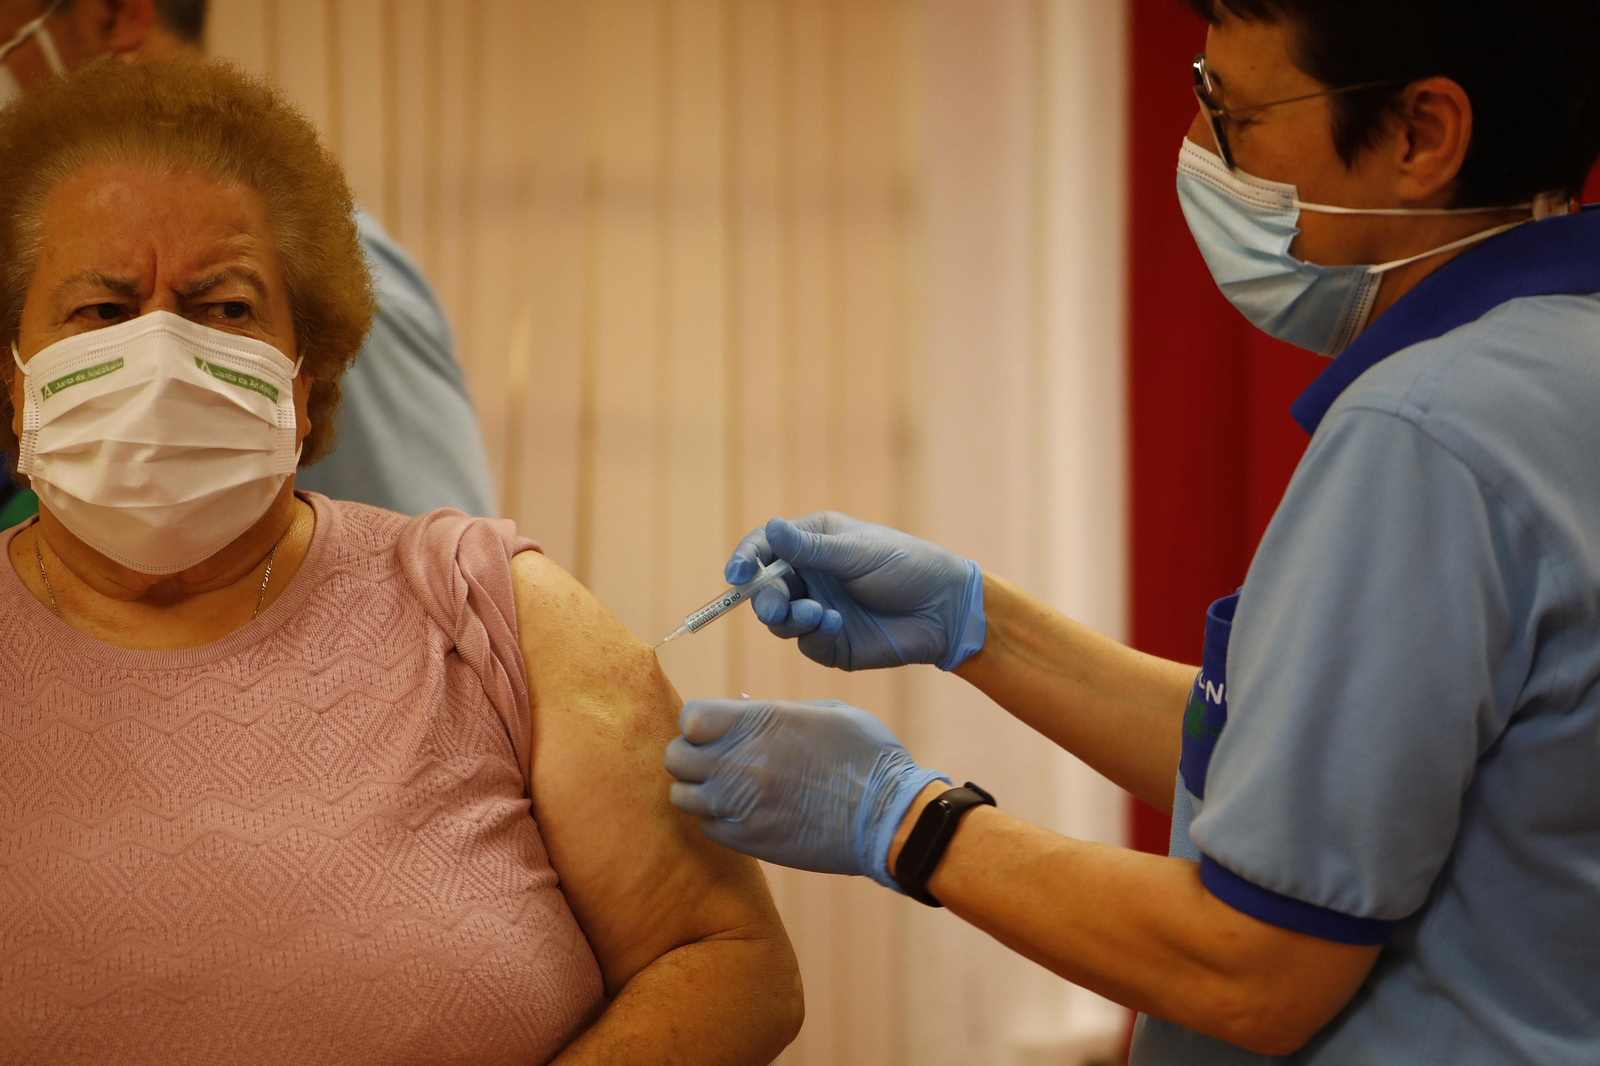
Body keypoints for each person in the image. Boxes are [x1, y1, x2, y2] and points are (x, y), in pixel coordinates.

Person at [664, 1, 1600, 1063]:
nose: (1202, 154)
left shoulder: (1426, 431)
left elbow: (1254, 966)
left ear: (1421, 135)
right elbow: (1321, 780)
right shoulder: (1560, 367)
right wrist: (978, 624)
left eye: (1235, 114)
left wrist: (903, 818)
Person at [0, 58, 800, 1063]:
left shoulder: (490, 611)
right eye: (104, 311)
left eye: (227, 308)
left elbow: (728, 957)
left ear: (305, 378)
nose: (162, 353)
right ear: (16, 373)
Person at [0, 0, 497, 519]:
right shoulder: (32, 253)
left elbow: (417, 571)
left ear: (115, 14)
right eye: (105, 309)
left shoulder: (312, 273)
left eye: (224, 309)